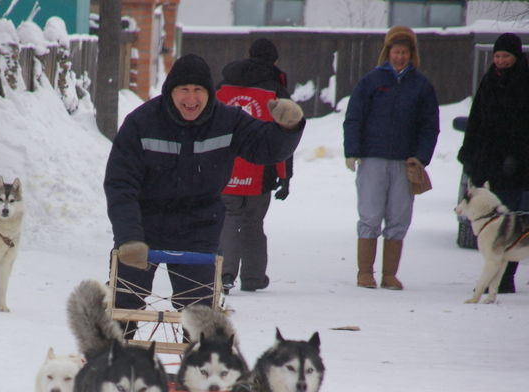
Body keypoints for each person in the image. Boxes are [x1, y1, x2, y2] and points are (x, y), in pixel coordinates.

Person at [104, 53, 305, 335]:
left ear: (209, 93)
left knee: (200, 314)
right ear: (170, 91)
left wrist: (288, 128)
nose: (191, 98)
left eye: (198, 90)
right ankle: (116, 361)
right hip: (143, 224)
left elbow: (266, 147)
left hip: (199, 225)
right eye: (183, 90)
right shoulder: (141, 123)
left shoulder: (228, 120)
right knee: (123, 303)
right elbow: (119, 184)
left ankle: (197, 368)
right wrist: (128, 237)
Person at [343, 26, 439, 290]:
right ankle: (365, 273)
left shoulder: (421, 86)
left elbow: (429, 126)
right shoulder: (371, 81)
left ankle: (389, 275)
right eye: (396, 52)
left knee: (398, 218)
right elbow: (354, 117)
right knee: (370, 216)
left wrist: (420, 157)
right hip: (373, 159)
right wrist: (352, 151)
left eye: (404, 52)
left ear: (411, 54)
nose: (400, 57)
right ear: (388, 52)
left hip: (404, 163)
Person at [216, 38, 293, 293]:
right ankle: (253, 278)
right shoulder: (275, 90)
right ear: (274, 61)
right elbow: (285, 133)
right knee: (253, 221)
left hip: (226, 167)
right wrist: (285, 176)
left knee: (229, 217)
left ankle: (225, 274)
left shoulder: (223, 86)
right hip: (261, 168)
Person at [457, 33, 529, 294]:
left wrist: (518, 157)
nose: (500, 60)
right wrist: (467, 151)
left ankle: (505, 277)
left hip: (515, 165)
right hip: (487, 160)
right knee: (489, 222)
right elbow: (476, 118)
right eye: (497, 56)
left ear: (516, 56)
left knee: (508, 223)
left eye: (505, 56)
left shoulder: (524, 81)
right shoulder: (489, 80)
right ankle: (493, 275)